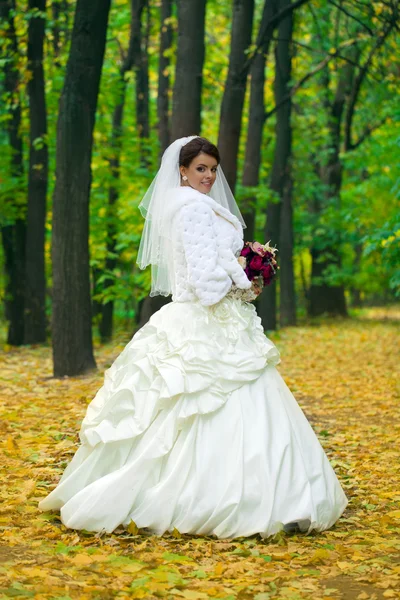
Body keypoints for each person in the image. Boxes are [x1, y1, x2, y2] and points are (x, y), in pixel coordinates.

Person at [38, 136, 348, 538]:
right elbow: (205, 283)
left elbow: (213, 268)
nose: (209, 176)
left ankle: (265, 494)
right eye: (201, 168)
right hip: (205, 322)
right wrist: (244, 275)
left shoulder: (194, 207)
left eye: (213, 169)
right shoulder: (192, 209)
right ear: (182, 171)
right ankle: (217, 499)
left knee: (225, 406)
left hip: (217, 318)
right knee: (197, 406)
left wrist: (247, 272)